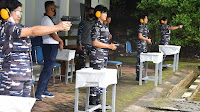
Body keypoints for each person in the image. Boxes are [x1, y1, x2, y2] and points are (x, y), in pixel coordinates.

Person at [0, 0, 71, 97]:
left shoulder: (19, 27)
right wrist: (58, 27)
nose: (19, 15)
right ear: (5, 12)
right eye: (16, 12)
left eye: (20, 12)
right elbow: (33, 31)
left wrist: (58, 27)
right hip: (11, 79)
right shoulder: (6, 28)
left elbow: (35, 30)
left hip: (25, 77)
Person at [35, 1, 65, 101]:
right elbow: (52, 34)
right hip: (49, 46)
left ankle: (44, 90)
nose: (54, 11)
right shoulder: (46, 19)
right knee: (47, 69)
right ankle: (39, 92)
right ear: (48, 9)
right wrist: (60, 40)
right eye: (53, 9)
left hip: (51, 45)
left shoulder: (49, 20)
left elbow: (54, 31)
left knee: (49, 69)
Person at [89, 5, 118, 108]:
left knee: (101, 79)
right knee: (96, 79)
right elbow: (95, 42)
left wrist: (110, 45)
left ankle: (98, 102)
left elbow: (104, 40)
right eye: (104, 13)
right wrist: (108, 46)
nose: (106, 15)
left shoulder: (104, 25)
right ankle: (93, 102)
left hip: (103, 55)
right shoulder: (96, 26)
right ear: (98, 14)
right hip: (97, 55)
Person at [136, 15, 152, 81]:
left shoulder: (145, 26)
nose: (147, 20)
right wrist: (147, 39)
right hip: (140, 45)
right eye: (145, 18)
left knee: (143, 60)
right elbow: (140, 36)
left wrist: (148, 40)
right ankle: (138, 76)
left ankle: (140, 75)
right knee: (140, 60)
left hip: (144, 45)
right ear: (142, 19)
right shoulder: (141, 26)